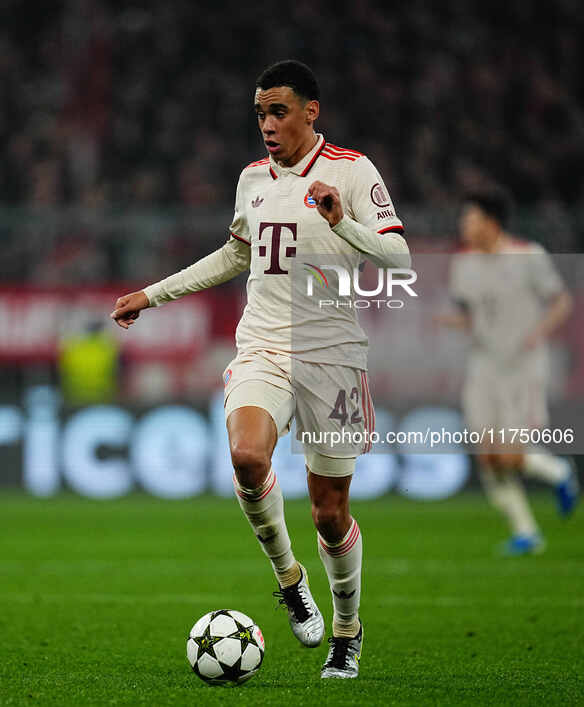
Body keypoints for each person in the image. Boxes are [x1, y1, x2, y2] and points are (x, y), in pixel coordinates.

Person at [110, 60, 409, 678]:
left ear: (310, 112)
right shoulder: (252, 178)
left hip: (332, 358)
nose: (267, 125)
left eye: (277, 111)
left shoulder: (353, 172)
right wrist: (152, 293)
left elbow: (398, 254)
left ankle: (347, 632)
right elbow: (233, 255)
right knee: (247, 457)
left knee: (330, 513)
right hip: (264, 348)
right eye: (259, 114)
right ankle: (289, 579)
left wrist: (341, 221)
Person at [441, 187, 578, 555]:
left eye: (469, 218)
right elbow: (473, 316)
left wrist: (538, 333)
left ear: (491, 222)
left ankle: (558, 473)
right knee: (487, 455)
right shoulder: (463, 264)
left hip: (522, 366)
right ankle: (526, 532)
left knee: (509, 453)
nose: (463, 225)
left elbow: (561, 300)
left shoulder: (528, 255)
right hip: (483, 365)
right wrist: (454, 322)